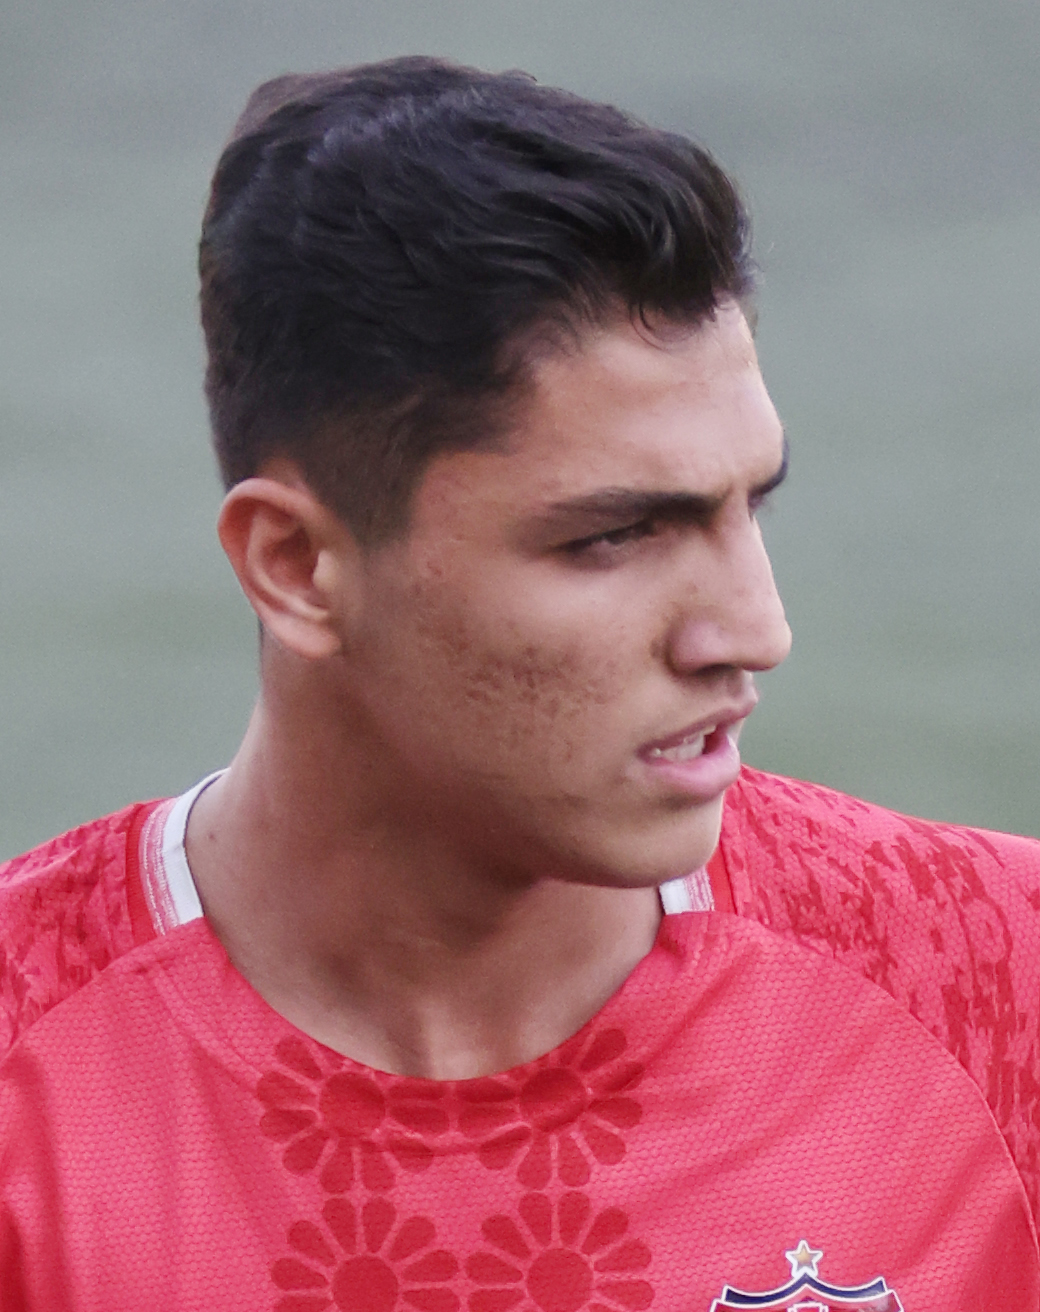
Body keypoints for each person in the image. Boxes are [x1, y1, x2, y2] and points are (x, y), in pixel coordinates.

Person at [1, 56, 1038, 1311]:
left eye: (747, 507)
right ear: (296, 566)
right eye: (614, 535)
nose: (753, 630)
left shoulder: (997, 981)